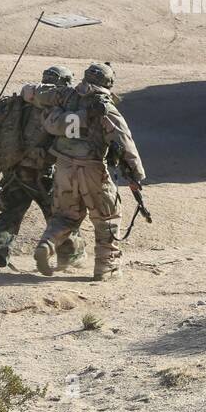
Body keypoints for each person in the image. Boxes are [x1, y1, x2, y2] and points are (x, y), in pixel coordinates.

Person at [22, 62, 145, 281]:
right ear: (108, 83)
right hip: (92, 168)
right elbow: (124, 141)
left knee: (65, 215)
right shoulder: (104, 106)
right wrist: (136, 175)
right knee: (107, 216)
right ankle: (106, 268)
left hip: (63, 166)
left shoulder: (65, 95)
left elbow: (30, 92)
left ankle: (47, 244)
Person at [0, 65, 86, 274]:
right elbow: (69, 142)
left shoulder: (19, 103)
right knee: (60, 215)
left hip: (14, 171)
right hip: (42, 174)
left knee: (10, 213)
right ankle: (69, 255)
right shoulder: (57, 109)